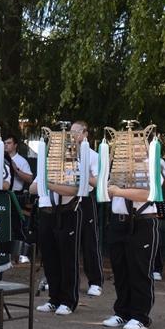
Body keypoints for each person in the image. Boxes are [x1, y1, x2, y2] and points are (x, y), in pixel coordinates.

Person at [103, 181, 159, 329]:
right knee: (120, 271)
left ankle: (140, 317)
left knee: (140, 271)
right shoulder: (116, 169)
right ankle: (122, 312)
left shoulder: (150, 168)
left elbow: (148, 194)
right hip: (118, 221)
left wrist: (118, 191)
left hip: (142, 221)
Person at [31, 172, 82, 316]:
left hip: (66, 211)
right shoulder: (45, 168)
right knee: (49, 259)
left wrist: (48, 184)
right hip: (46, 213)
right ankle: (54, 298)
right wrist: (50, 184)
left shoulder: (72, 166)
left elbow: (74, 190)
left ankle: (68, 301)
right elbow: (32, 188)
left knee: (68, 259)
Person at [70, 121, 104, 296]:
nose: (73, 135)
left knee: (89, 240)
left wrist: (82, 171)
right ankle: (67, 281)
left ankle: (95, 281)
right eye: (71, 132)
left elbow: (98, 182)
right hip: (67, 198)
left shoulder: (93, 156)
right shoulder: (66, 154)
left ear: (85, 133)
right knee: (67, 241)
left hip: (85, 198)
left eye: (76, 131)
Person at [152, 158, 165, 281]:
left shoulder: (159, 161)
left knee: (155, 234)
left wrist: (159, 173)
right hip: (132, 201)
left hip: (153, 202)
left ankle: (156, 268)